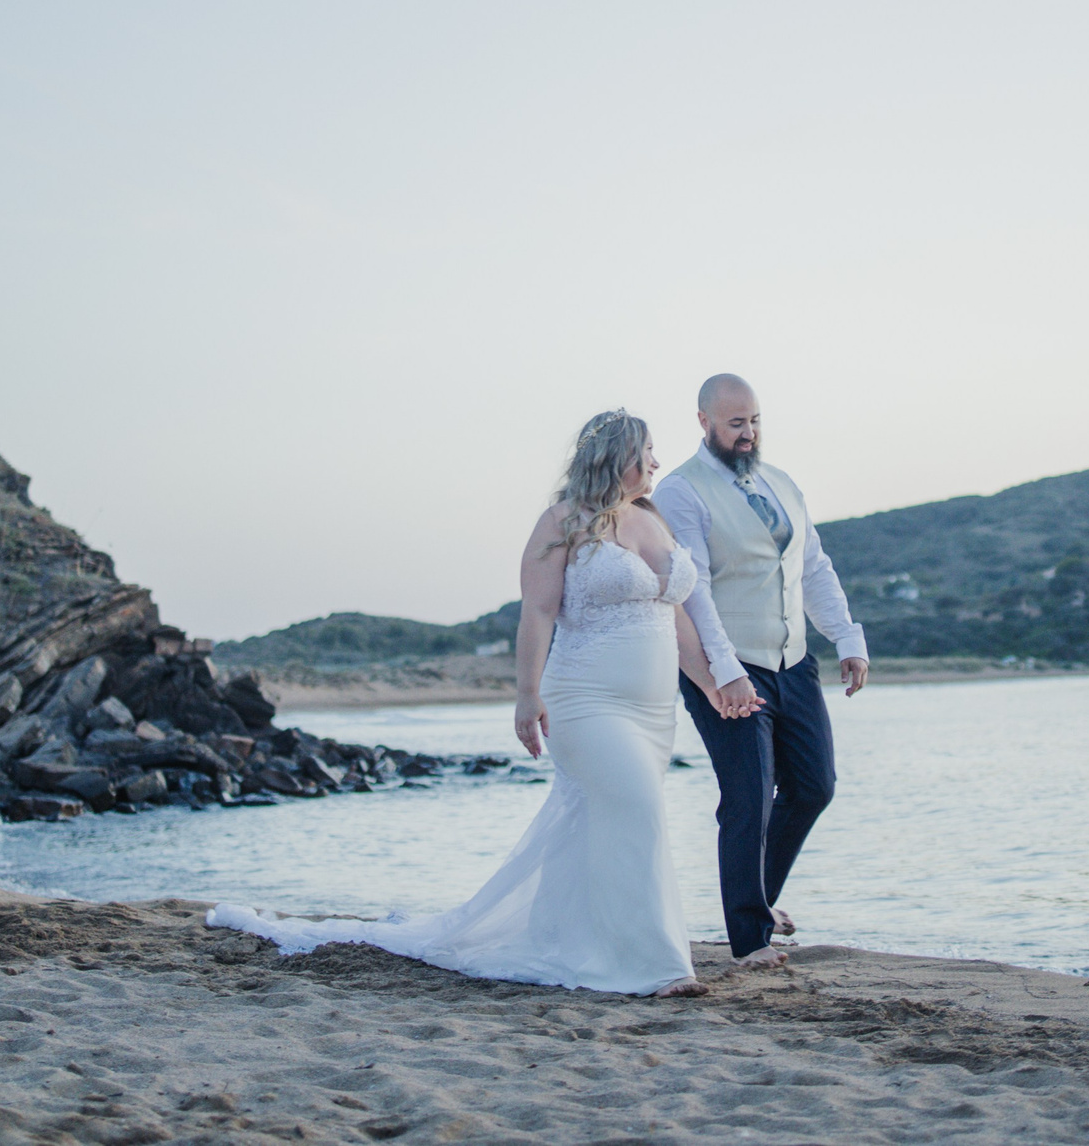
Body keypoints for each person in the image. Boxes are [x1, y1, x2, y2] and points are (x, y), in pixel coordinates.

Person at [206, 410, 723, 997]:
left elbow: (674, 615)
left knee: (608, 823)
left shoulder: (653, 521)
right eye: (647, 450)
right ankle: (659, 967)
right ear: (615, 455)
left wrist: (712, 684)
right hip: (585, 700)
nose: (656, 462)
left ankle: (583, 942)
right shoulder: (561, 522)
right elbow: (539, 613)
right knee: (638, 810)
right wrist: (526, 696)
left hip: (653, 712)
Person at [655, 373, 869, 969]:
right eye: (735, 424)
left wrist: (847, 637)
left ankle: (759, 903)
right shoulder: (681, 491)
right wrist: (724, 671)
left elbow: (815, 567)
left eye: (754, 421)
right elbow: (692, 592)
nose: (748, 434)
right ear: (704, 422)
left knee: (813, 786)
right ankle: (749, 941)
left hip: (793, 660)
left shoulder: (783, 484)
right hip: (726, 664)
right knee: (748, 794)